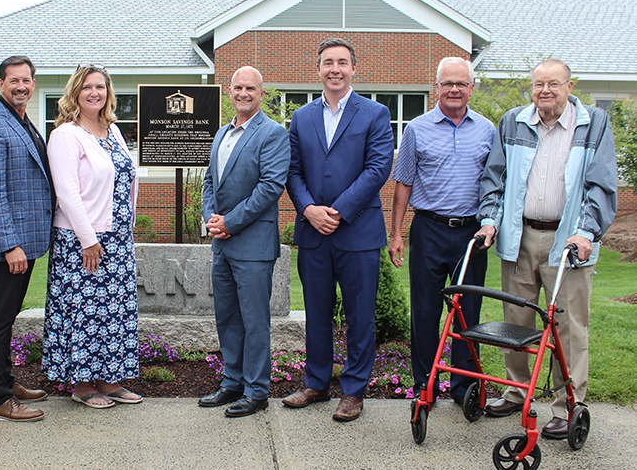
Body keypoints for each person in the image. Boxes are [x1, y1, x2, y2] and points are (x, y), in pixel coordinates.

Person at [476, 59, 617, 439]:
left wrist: (587, 232)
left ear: (570, 87)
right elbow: (495, 176)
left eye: (553, 84)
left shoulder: (594, 124)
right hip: (520, 237)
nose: (545, 91)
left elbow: (601, 185)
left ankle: (566, 404)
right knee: (515, 323)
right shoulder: (513, 121)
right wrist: (490, 219)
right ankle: (516, 391)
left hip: (569, 242)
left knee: (568, 327)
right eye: (539, 84)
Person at [284, 38, 394, 421]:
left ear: (352, 69)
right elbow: (292, 171)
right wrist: (310, 209)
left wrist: (340, 211)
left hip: (358, 233)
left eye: (342, 63)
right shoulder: (302, 117)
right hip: (313, 232)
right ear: (318, 69)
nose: (335, 69)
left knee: (359, 314)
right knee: (316, 313)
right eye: (328, 62)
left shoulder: (375, 113)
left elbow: (378, 168)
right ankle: (315, 383)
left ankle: (353, 392)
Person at [388, 58, 496, 404]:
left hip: (472, 234)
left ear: (471, 89)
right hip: (429, 229)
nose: (454, 89)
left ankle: (464, 386)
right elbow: (403, 184)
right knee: (424, 310)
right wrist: (396, 234)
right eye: (447, 83)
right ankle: (425, 384)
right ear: (436, 87)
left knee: (469, 313)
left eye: (461, 84)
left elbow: (495, 183)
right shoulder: (416, 129)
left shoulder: (488, 131)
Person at [42, 64, 141, 409]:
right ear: (75, 92)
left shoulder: (112, 131)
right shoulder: (66, 135)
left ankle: (109, 380)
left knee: (113, 312)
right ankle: (83, 385)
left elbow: (125, 179)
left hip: (116, 238)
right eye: (87, 87)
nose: (94, 92)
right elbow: (67, 192)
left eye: (100, 87)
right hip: (82, 240)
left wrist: (125, 232)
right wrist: (88, 239)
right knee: (85, 312)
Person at [198, 66, 290, 417]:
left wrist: (230, 223)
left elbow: (270, 187)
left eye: (250, 88)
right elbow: (210, 182)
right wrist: (212, 219)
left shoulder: (273, 133)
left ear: (261, 94)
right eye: (237, 87)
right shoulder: (222, 133)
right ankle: (232, 382)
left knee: (254, 322)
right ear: (230, 92)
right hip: (221, 243)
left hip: (252, 245)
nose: (243, 93)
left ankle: (256, 391)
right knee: (227, 318)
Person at [0, 56, 52, 422]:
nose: (21, 86)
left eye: (26, 80)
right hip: (7, 246)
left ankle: (5, 381)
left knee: (7, 315)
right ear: (0, 84)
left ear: (33, 83)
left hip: (25, 241)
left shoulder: (21, 119)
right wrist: (9, 244)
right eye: (13, 80)